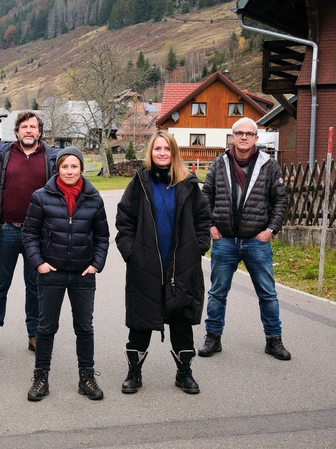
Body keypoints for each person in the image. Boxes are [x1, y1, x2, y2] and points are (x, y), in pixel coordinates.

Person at [115, 131, 212, 395]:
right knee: (140, 322)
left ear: (173, 152)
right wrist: (131, 252)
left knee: (181, 322)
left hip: (181, 266)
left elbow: (203, 220)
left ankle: (184, 373)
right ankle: (134, 373)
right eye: (157, 148)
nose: (161, 153)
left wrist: (198, 248)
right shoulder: (140, 181)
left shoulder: (188, 184)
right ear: (151, 151)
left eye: (166, 149)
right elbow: (124, 219)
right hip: (145, 265)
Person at [0, 111, 60, 359]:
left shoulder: (52, 158)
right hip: (6, 228)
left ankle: (35, 334)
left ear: (40, 131)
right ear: (17, 131)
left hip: (37, 233)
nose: (28, 130)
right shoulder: (2, 155)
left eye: (33, 127)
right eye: (24, 127)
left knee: (35, 285)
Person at [199, 117, 291, 361]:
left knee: (268, 294)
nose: (243, 137)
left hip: (256, 241)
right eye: (239, 133)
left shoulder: (268, 165)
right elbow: (205, 196)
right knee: (218, 292)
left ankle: (274, 341)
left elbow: (281, 200)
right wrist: (210, 225)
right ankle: (213, 338)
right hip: (225, 240)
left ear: (256, 139)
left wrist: (271, 229)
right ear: (232, 137)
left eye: (249, 133)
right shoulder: (219, 163)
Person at [22, 147, 110, 401]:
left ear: (81, 168)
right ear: (57, 169)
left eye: (74, 166)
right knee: (46, 328)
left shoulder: (94, 198)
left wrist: (96, 264)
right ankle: (41, 378)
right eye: (65, 167)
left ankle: (87, 377)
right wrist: (39, 263)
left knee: (84, 328)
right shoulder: (41, 197)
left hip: (83, 274)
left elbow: (103, 236)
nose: (69, 171)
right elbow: (29, 234)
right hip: (51, 273)